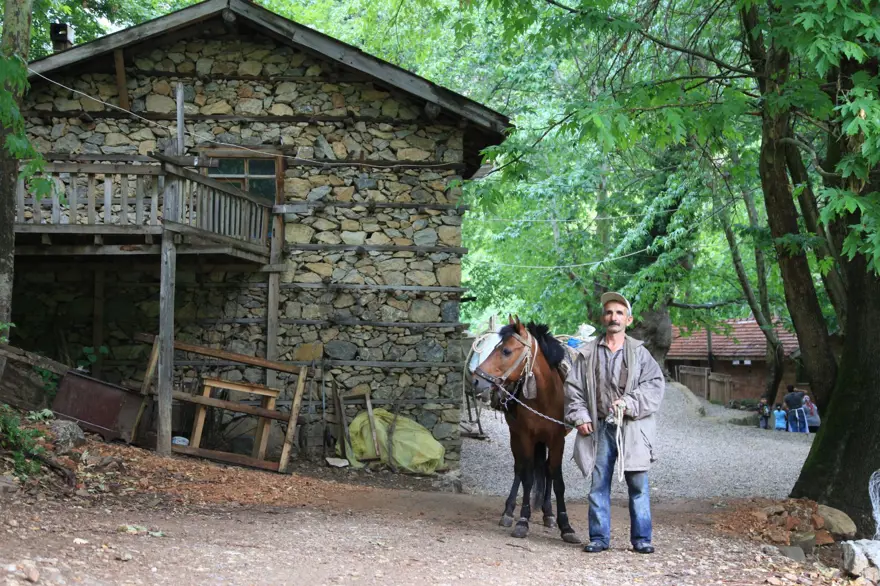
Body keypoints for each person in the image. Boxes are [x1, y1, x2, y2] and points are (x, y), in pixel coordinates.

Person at [564, 292, 665, 555]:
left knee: (638, 485)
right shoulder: (586, 354)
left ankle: (642, 538)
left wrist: (629, 403)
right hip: (599, 428)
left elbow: (654, 385)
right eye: (609, 312)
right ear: (602, 318)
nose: (614, 317)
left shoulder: (640, 353)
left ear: (628, 320)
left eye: (619, 313)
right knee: (598, 485)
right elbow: (573, 390)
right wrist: (581, 416)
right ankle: (598, 538)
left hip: (632, 429)